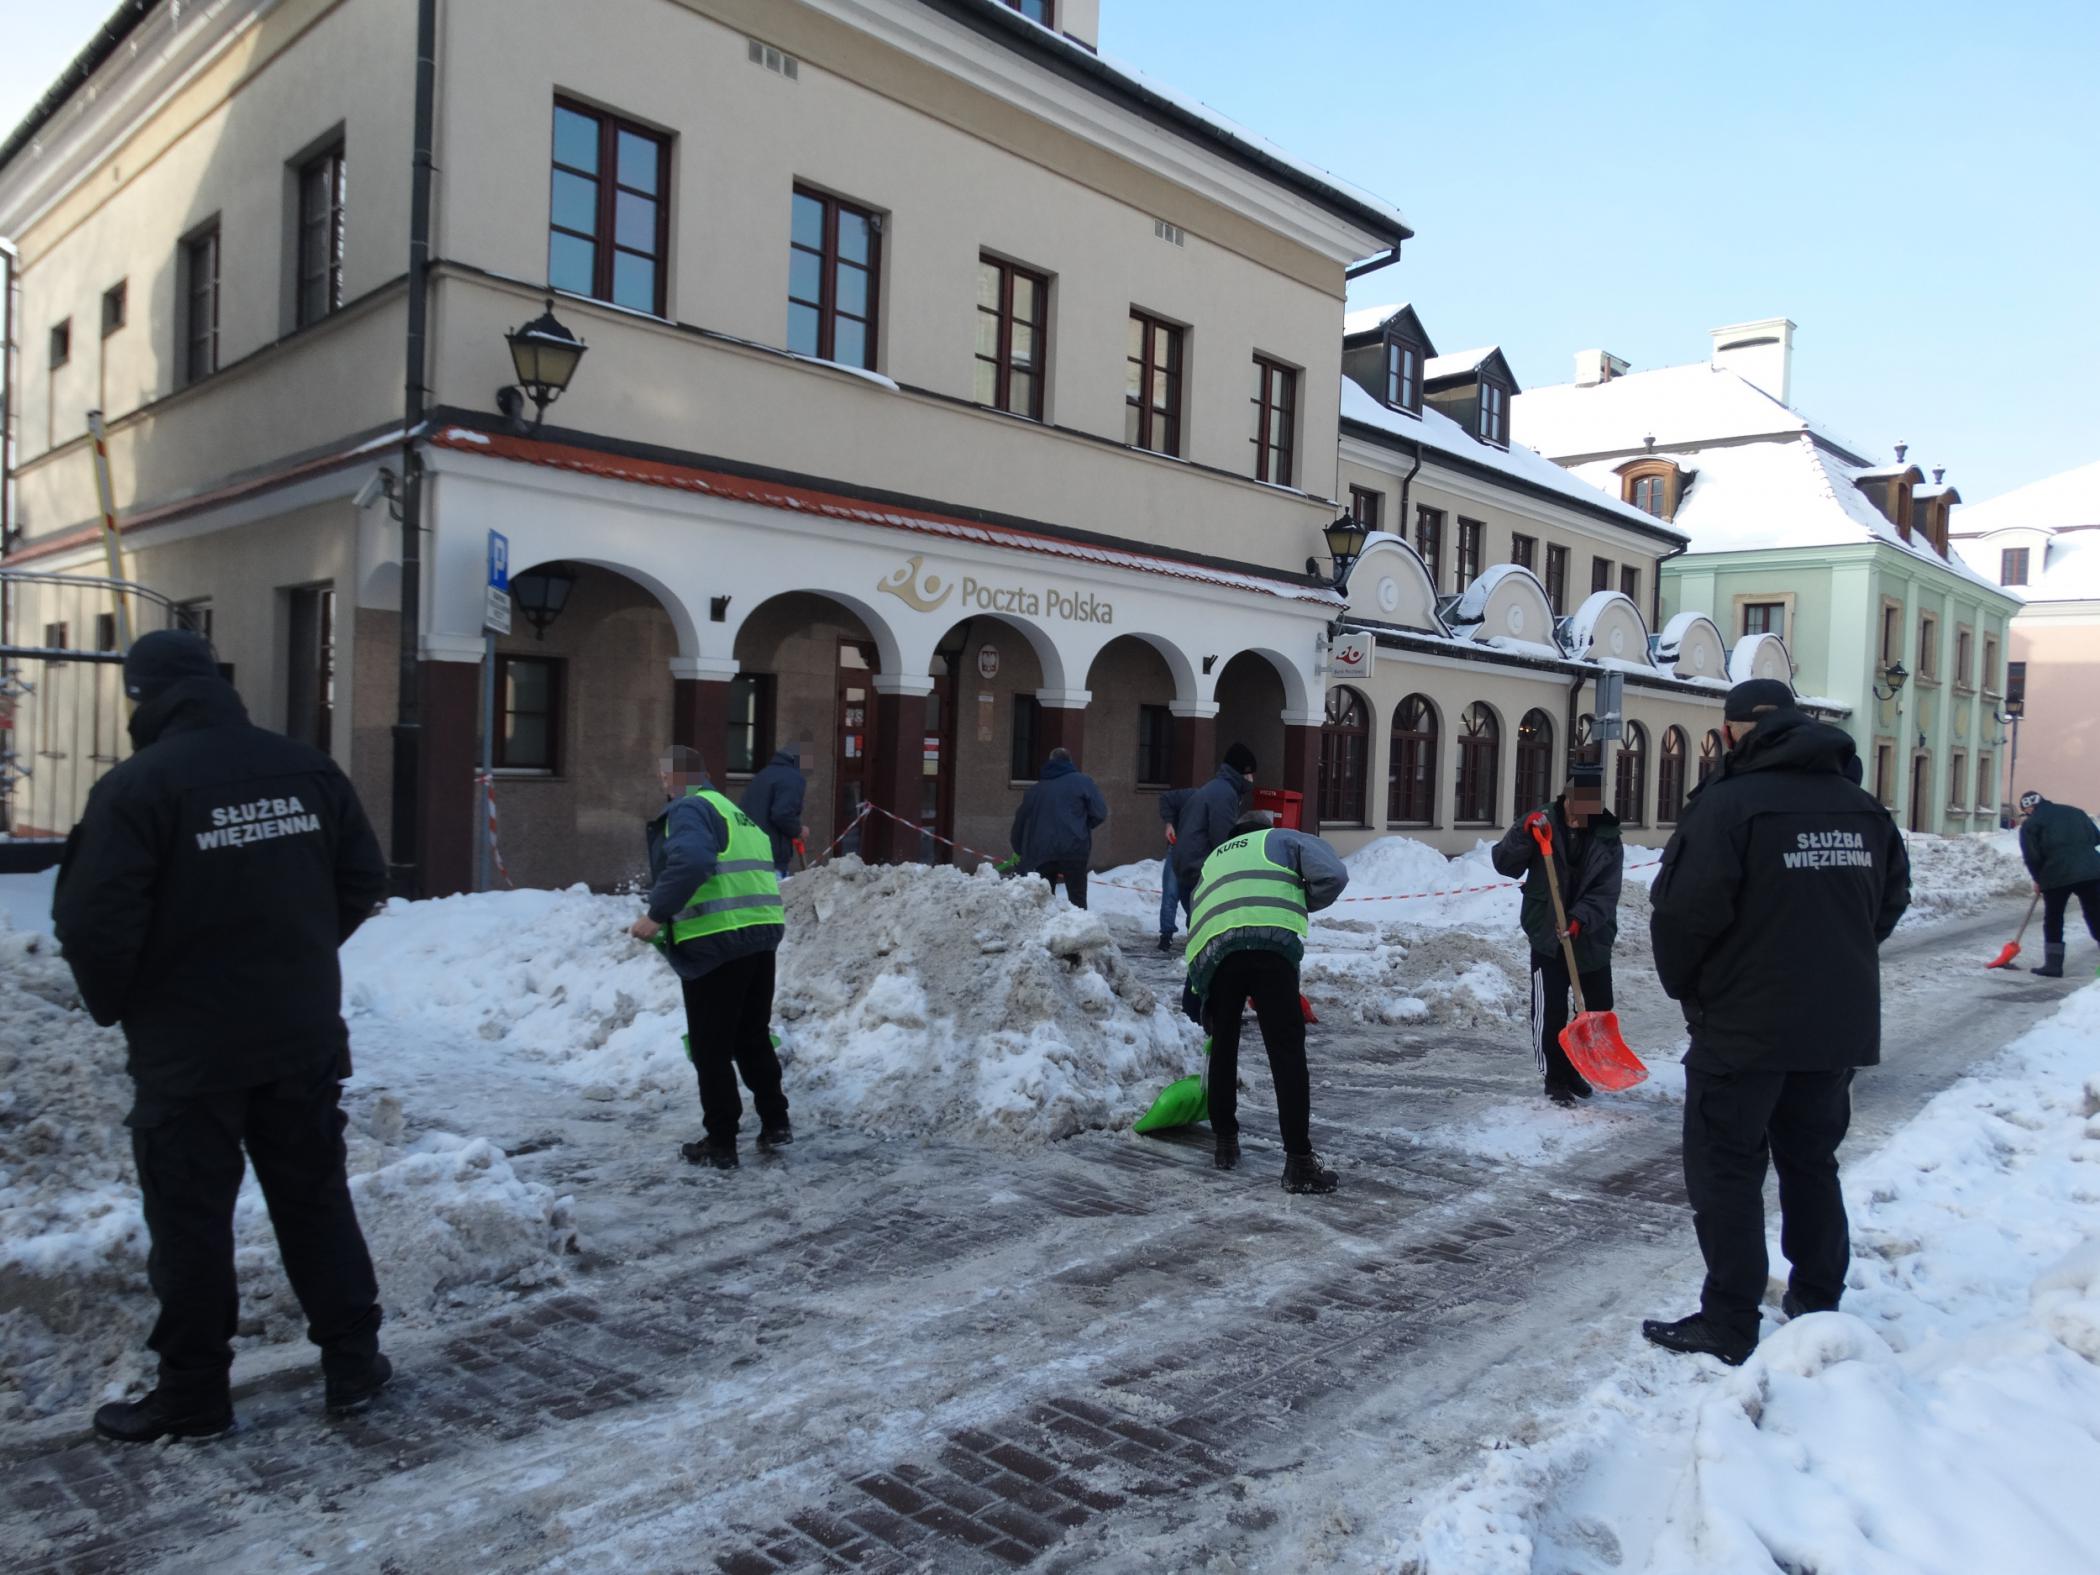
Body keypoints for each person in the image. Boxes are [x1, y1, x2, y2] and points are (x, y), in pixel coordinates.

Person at [51, 629, 392, 1442]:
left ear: (143, 697)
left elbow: (94, 921)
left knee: (191, 1219)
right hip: (299, 1031)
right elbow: (363, 879)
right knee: (314, 1196)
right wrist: (296, 954)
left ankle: (195, 1395)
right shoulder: (304, 768)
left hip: (192, 1050)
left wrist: (133, 999)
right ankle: (353, 1362)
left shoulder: (138, 787)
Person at [1642, 679, 1910, 1365]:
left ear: (1733, 732)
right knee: (1810, 1160)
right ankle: (1818, 1299)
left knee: (1726, 1168)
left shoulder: (1728, 805)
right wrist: (1834, 960)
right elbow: (1889, 901)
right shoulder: (1863, 807)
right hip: (1834, 1025)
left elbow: (1680, 916)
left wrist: (1696, 993)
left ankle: (1730, 1320)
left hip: (1743, 1025)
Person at [632, 744, 790, 1169]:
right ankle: (776, 1121)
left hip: (715, 942)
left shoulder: (689, 809)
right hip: (760, 936)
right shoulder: (735, 813)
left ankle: (720, 1141)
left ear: (674, 777)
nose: (662, 784)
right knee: (752, 1035)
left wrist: (656, 915)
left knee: (711, 1047)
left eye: (663, 777)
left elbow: (693, 862)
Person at [1185, 808, 1350, 1193]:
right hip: (1270, 948)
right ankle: (1298, 1164)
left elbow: (1198, 915)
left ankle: (1225, 1142)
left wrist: (1196, 989)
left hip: (1218, 955)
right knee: (1286, 1049)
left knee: (1224, 1043)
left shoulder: (1215, 859)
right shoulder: (1279, 840)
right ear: (1265, 827)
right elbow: (1334, 874)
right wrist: (1302, 898)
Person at [1491, 759, 1623, 1107]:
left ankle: (1577, 1069)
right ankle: (1555, 1078)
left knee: (1594, 1010)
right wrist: (1522, 832)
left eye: (1587, 810)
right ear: (1564, 799)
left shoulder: (1608, 836)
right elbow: (1504, 864)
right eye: (1574, 807)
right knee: (1550, 1012)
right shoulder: (1541, 823)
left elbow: (1607, 892)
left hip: (1592, 937)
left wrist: (1580, 918)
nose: (1579, 817)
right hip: (1548, 936)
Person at [2014, 790, 2100, 978]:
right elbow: (2096, 837)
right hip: (2091, 871)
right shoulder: (2076, 812)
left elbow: (2032, 857)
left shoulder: (2031, 825)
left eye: (2025, 810)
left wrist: (2039, 879)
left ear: (2029, 807)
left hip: (2056, 876)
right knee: (2095, 913)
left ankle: (2053, 965)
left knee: (2054, 918)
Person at [1009, 747, 1107, 909]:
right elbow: (1100, 812)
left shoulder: (1036, 790)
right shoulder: (1083, 782)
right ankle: (1081, 928)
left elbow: (1020, 821)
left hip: (1042, 852)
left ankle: (1047, 930)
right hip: (1074, 848)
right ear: (1069, 761)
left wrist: (1018, 849)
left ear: (1050, 762)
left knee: (1045, 900)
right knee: (1077, 898)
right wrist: (1082, 827)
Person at [1170, 742, 1258, 896]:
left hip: (1188, 865)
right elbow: (1223, 839)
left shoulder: (1218, 787)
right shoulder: (1225, 794)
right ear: (1241, 772)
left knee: (1197, 919)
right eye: (1250, 774)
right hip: (1199, 869)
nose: (1252, 779)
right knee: (1207, 919)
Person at [740, 743, 808, 877]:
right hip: (771, 857)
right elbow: (782, 814)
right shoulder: (792, 778)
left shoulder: (763, 775)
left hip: (749, 851)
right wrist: (798, 830)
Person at [1155, 786, 1194, 953]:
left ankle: (1193, 931)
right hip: (1177, 847)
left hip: (1195, 851)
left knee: (1190, 895)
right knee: (1171, 892)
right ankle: (1166, 935)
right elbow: (1166, 798)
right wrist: (1169, 823)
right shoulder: (1191, 795)